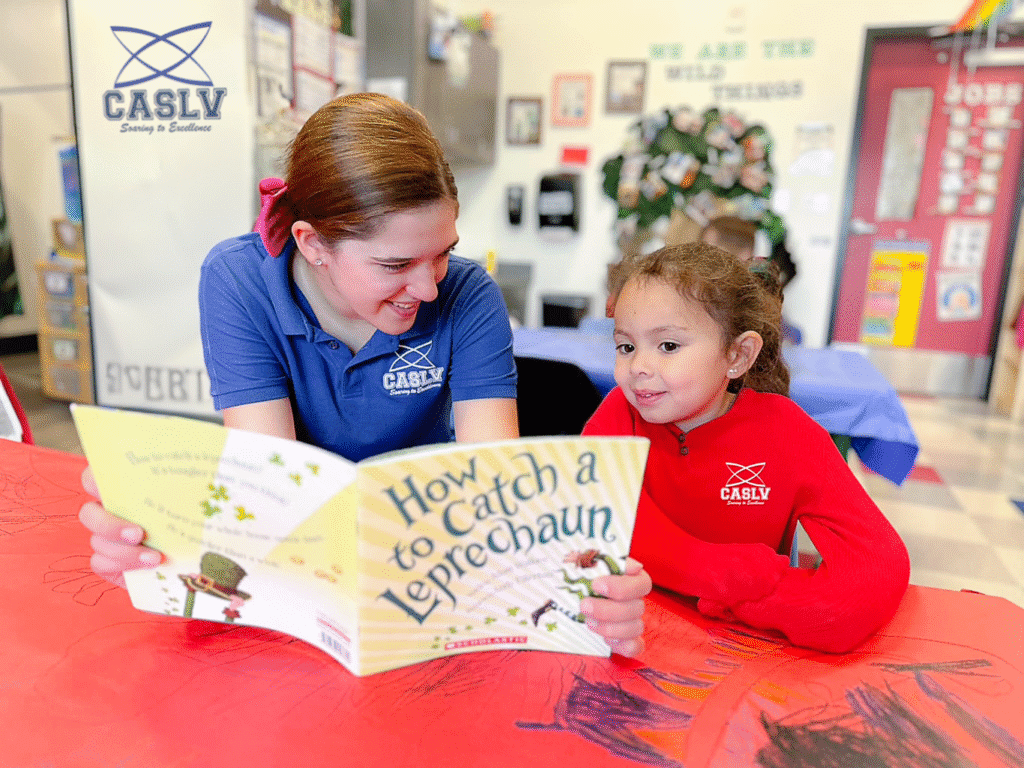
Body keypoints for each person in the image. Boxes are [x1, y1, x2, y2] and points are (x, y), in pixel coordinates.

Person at [79, 92, 651, 656]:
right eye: (395, 264)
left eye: (442, 254)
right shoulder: (239, 281)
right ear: (312, 243)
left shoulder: (469, 295)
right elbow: (271, 482)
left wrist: (588, 598)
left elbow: (493, 492)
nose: (428, 288)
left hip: (431, 560)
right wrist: (158, 534)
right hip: (304, 570)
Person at [582, 241, 910, 654]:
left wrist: (740, 598)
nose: (638, 367)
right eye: (626, 346)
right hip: (634, 643)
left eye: (668, 346)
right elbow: (592, 520)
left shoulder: (788, 433)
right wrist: (720, 573)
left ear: (738, 355)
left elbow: (873, 575)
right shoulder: (619, 413)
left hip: (741, 657)